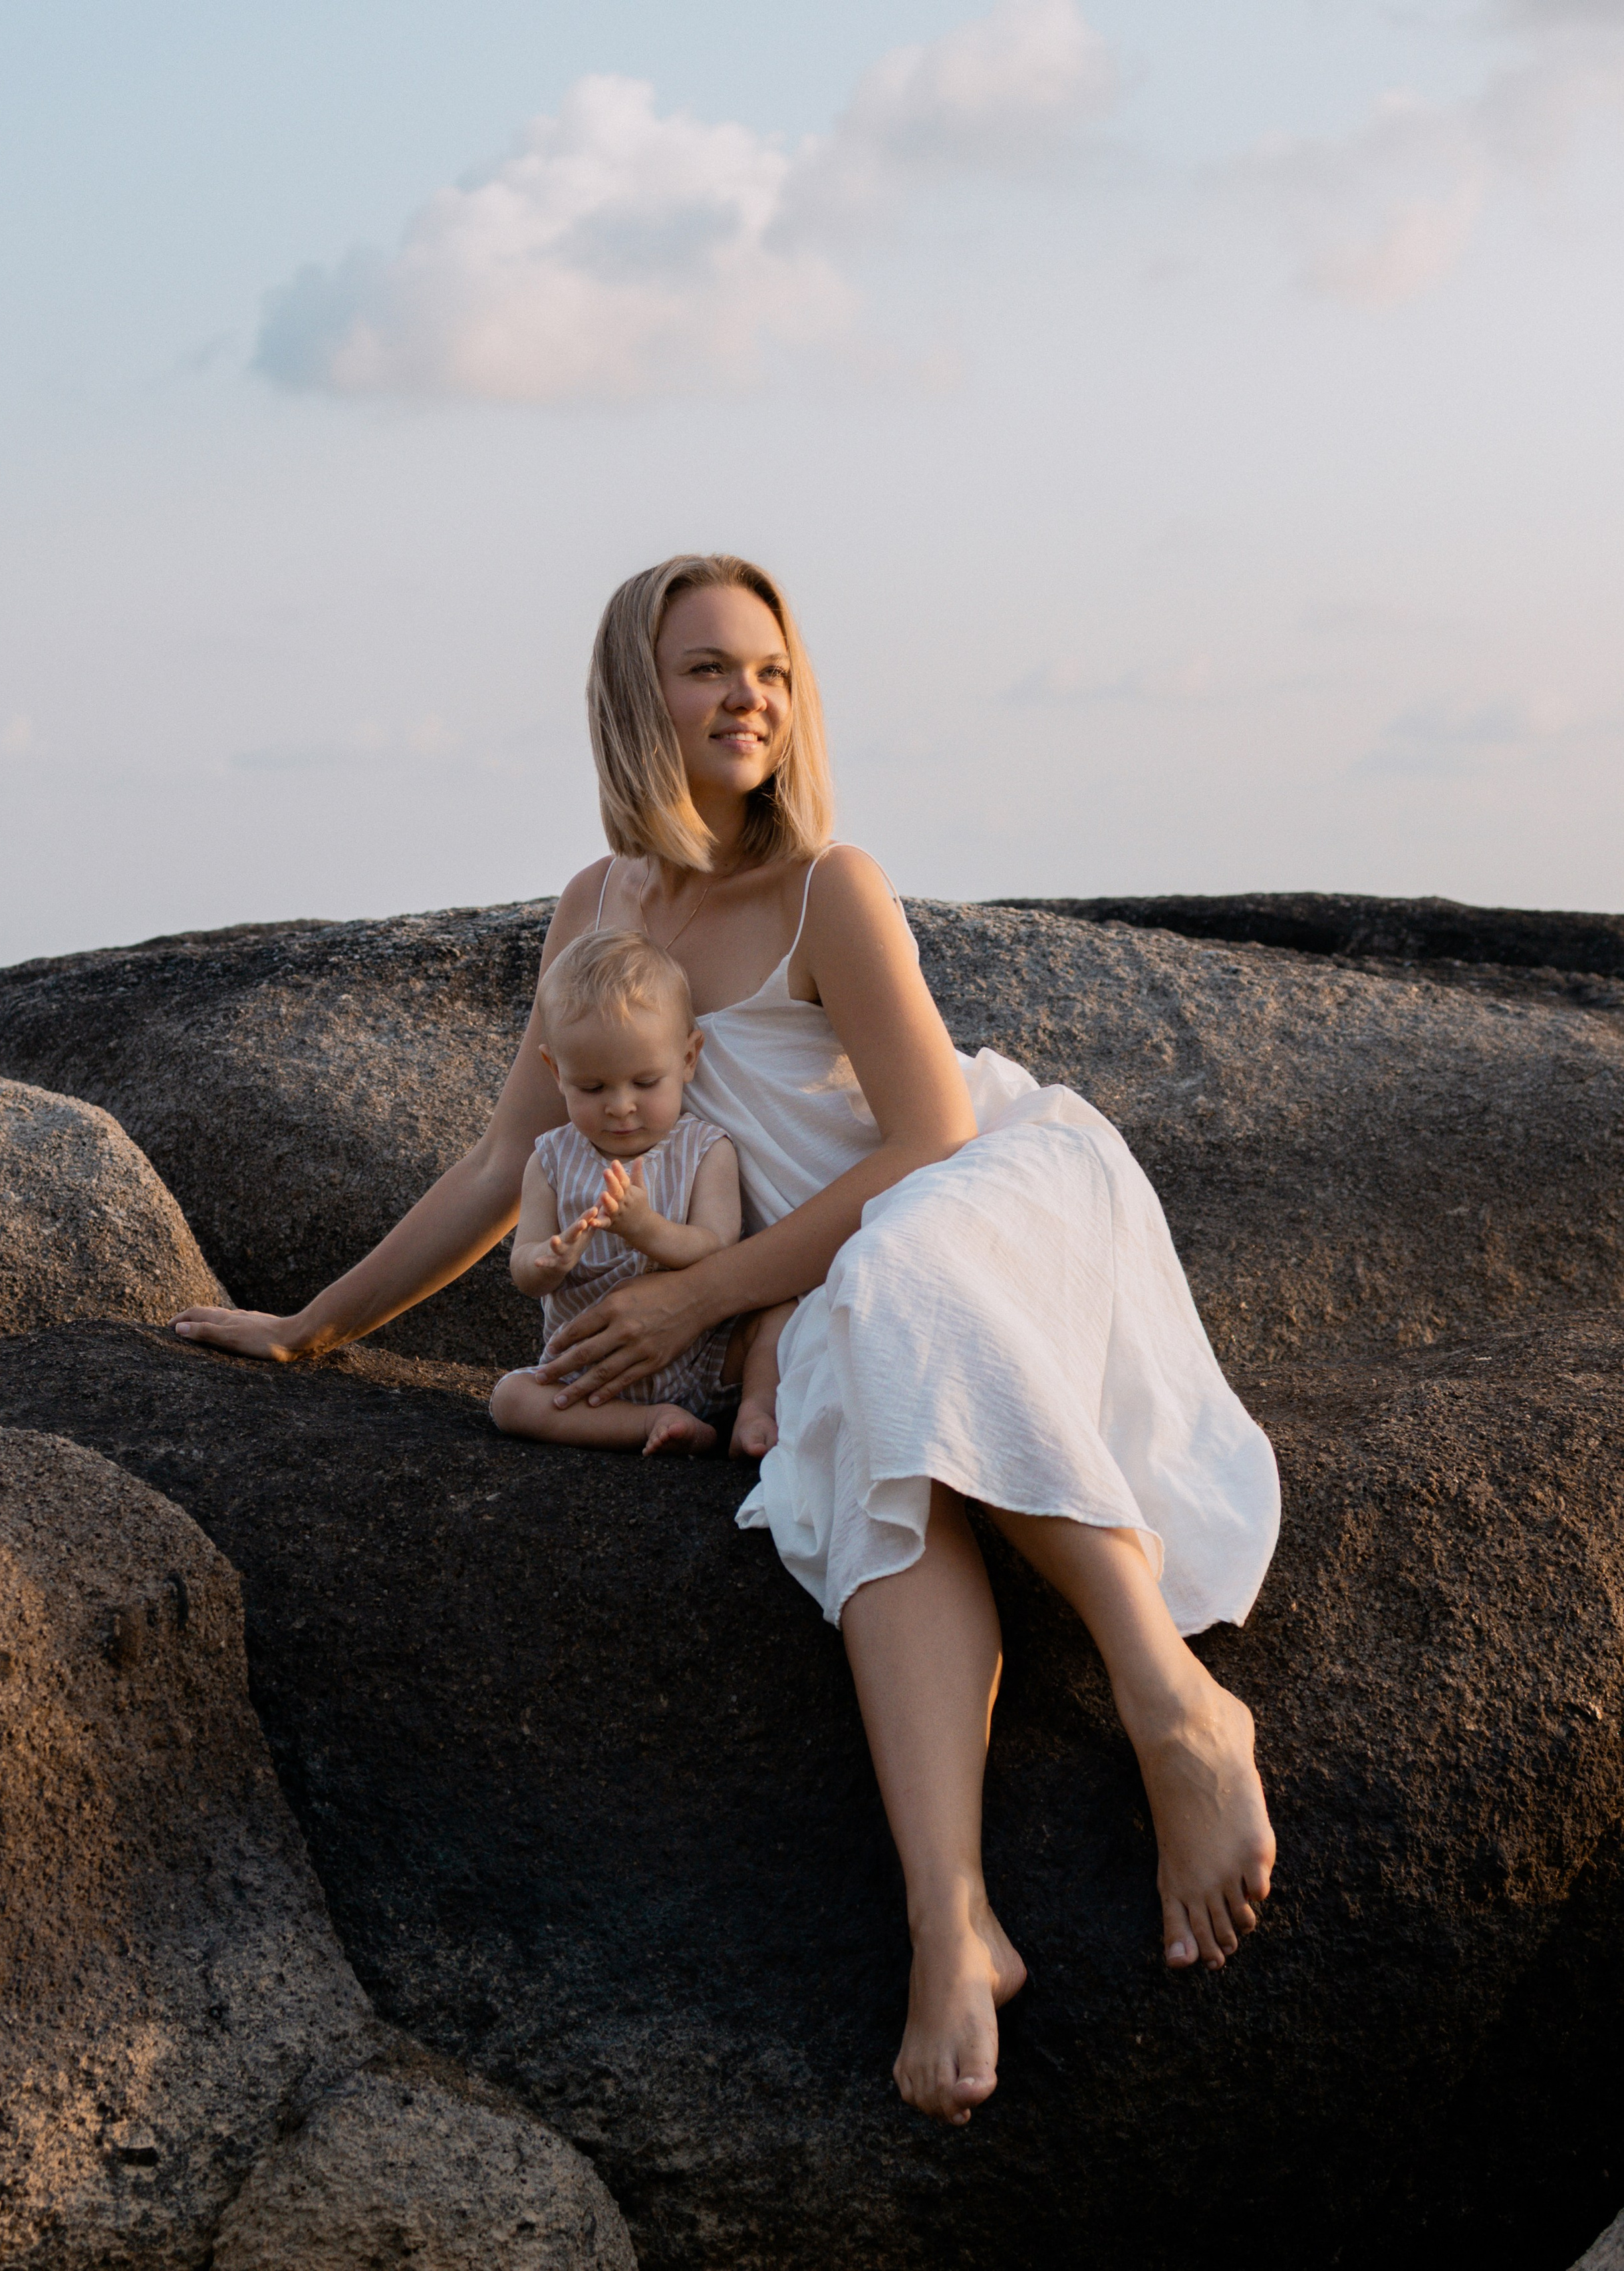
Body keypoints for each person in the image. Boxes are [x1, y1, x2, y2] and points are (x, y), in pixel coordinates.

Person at [174, 551, 1280, 2129]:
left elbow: (926, 1137)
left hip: (966, 1196)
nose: (744, 693)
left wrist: (701, 1296)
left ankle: (1170, 1696)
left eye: (765, 667)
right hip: (807, 1276)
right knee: (857, 1453)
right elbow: (505, 1163)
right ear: (639, 699)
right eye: (705, 667)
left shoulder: (832, 883)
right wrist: (308, 1327)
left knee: (890, 1301)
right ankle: (947, 1916)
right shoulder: (596, 906)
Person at [488, 925, 791, 1458]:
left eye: (646, 1083)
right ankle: (650, 1421)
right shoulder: (551, 1160)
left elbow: (716, 1245)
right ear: (556, 1071)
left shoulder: (705, 1149)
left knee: (782, 1311)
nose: (621, 1105)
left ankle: (755, 1411)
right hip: (592, 1376)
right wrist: (550, 1261)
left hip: (706, 1356)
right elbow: (523, 1265)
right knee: (509, 1399)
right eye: (592, 1087)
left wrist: (643, 1227)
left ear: (689, 1058)